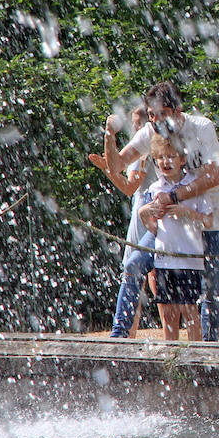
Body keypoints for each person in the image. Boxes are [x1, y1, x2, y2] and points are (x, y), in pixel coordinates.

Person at [105, 82, 219, 340]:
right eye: (152, 115)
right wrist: (109, 135)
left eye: (162, 113)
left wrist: (174, 196)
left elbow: (213, 176)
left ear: (177, 109)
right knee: (134, 264)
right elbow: (116, 165)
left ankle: (207, 354)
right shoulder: (150, 131)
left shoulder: (202, 128)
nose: (156, 120)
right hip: (168, 224)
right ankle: (118, 336)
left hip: (206, 219)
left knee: (209, 290)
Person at [90, 105, 156, 335]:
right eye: (134, 123)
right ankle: (128, 333)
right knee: (139, 278)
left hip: (147, 212)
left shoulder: (148, 148)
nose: (135, 127)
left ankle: (122, 333)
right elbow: (118, 169)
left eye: (139, 123)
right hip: (142, 209)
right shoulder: (141, 148)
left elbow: (128, 187)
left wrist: (107, 171)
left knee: (134, 275)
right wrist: (108, 167)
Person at [139, 134, 214, 341]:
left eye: (171, 156)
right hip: (164, 260)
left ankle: (196, 362)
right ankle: (171, 361)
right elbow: (152, 228)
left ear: (182, 159)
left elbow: (208, 221)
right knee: (168, 315)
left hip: (189, 260)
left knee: (190, 314)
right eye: (161, 157)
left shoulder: (195, 187)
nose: (166, 162)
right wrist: (145, 212)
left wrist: (186, 212)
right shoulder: (154, 189)